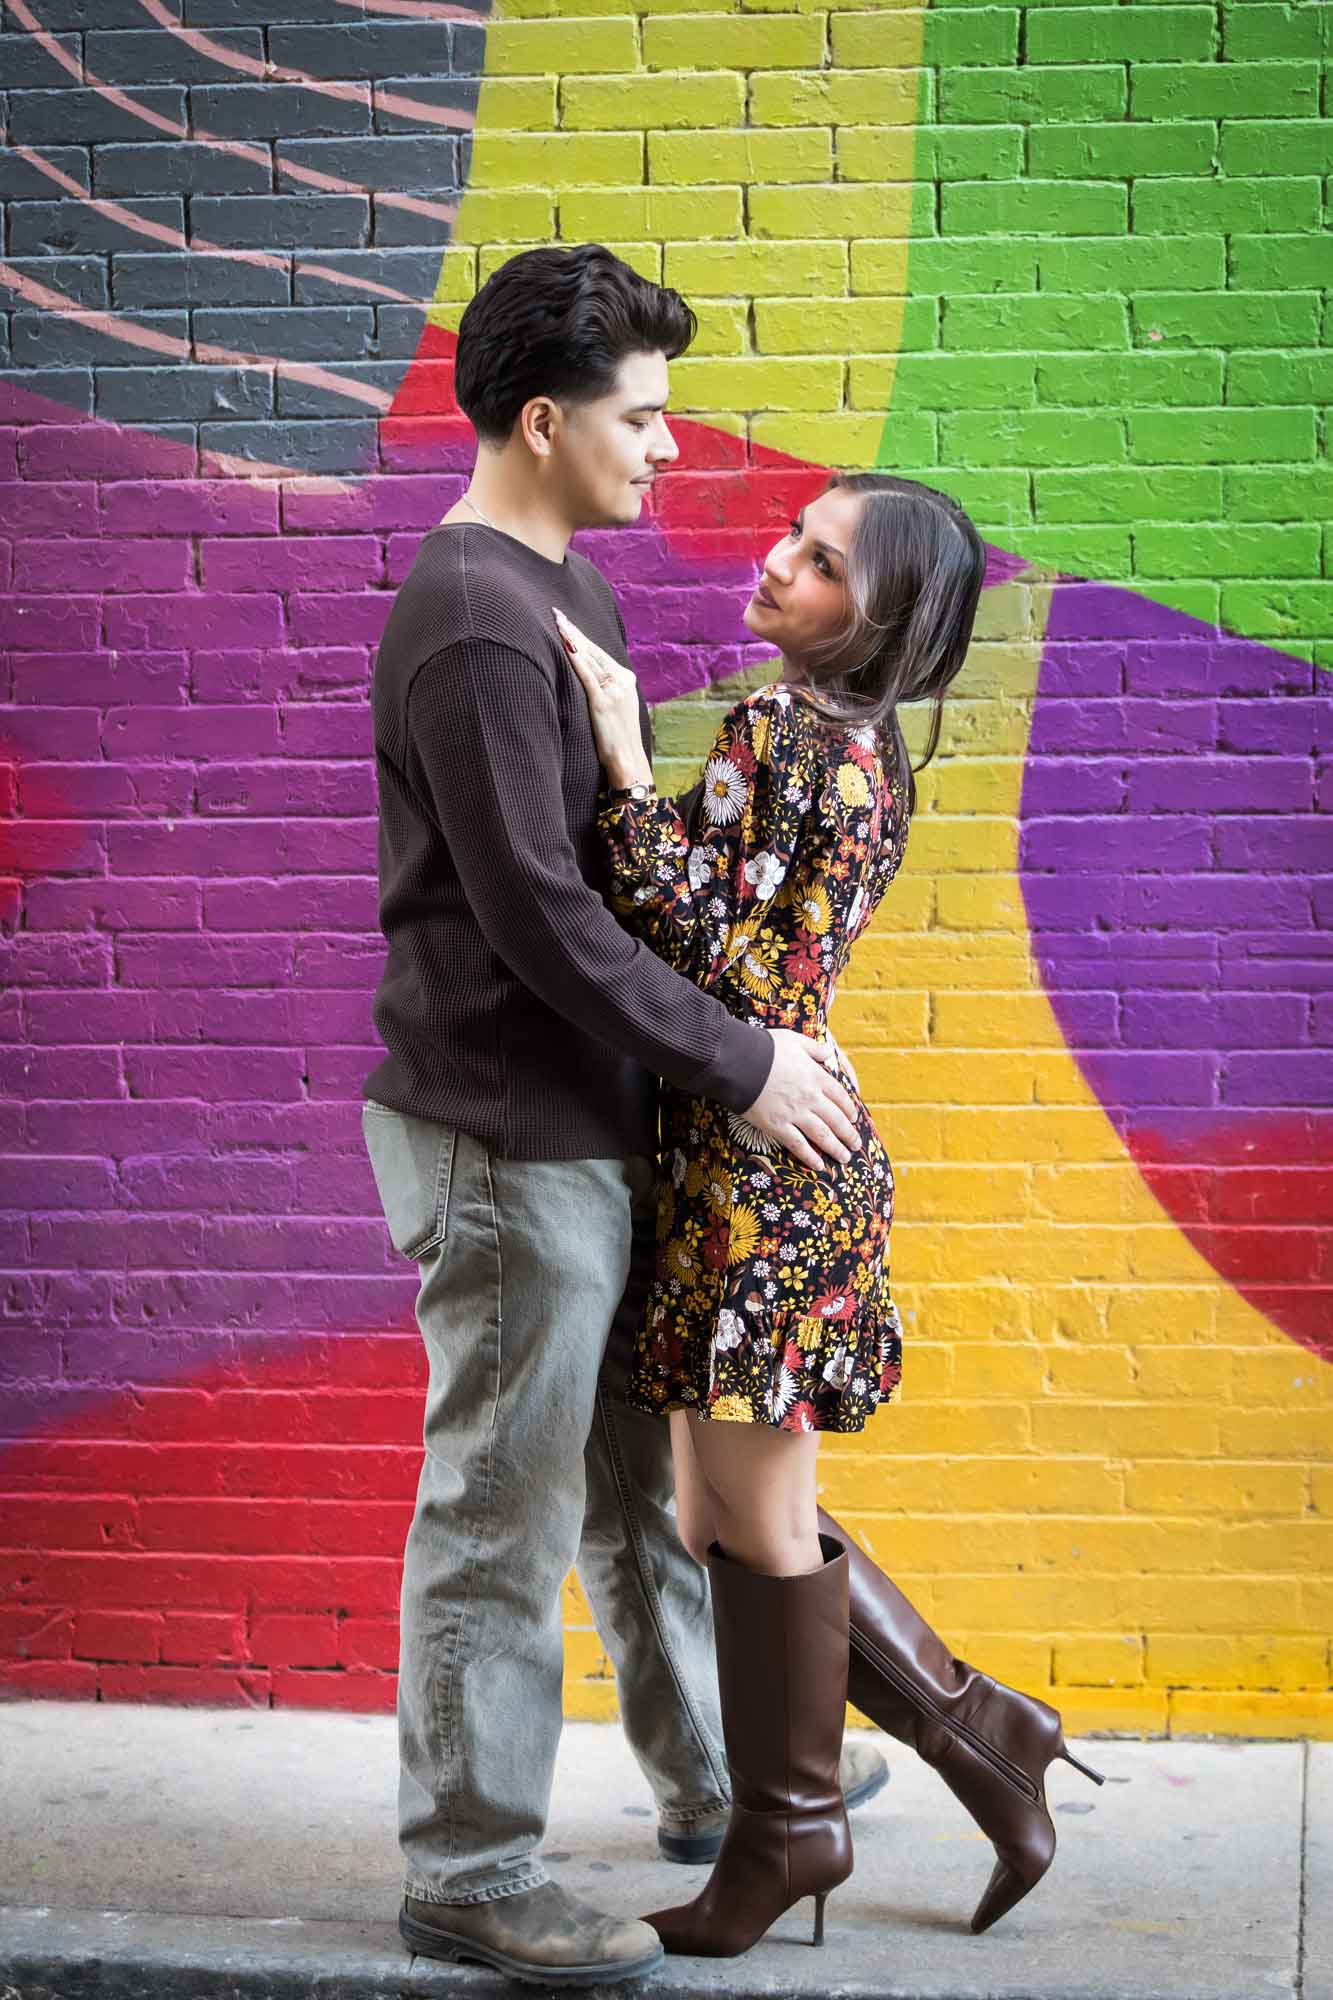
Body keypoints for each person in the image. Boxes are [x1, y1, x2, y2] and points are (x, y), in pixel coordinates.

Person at [360, 243, 887, 1989]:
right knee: (500, 1511)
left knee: (629, 1501)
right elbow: (536, 909)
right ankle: (472, 1864)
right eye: (641, 417)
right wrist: (741, 1065)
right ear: (539, 419)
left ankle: (713, 1785)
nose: (668, 449)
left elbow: (619, 875)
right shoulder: (474, 620)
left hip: (588, 1124)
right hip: (507, 1134)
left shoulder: (561, 592)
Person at [556, 471, 1105, 1960]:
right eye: (792, 539)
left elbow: (702, 949)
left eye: (820, 560)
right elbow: (761, 953)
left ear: (883, 619)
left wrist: (616, 766)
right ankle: (983, 1734)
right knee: (717, 1514)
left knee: (753, 1518)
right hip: (763, 1162)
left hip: (759, 1175)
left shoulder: (773, 732)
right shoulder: (871, 751)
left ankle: (788, 1828)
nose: (777, 564)